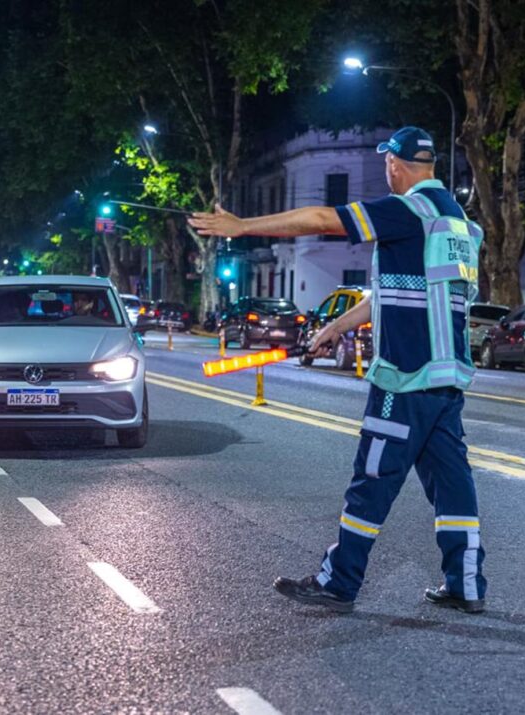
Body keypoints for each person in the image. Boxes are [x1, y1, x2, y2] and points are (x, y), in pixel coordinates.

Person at [189, 126, 487, 615]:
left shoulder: (405, 210)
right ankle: (466, 584)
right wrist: (337, 326)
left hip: (404, 376)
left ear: (395, 164)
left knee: (372, 479)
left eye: (386, 164)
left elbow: (322, 218)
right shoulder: (457, 224)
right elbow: (397, 292)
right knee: (454, 485)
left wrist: (242, 226)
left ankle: (339, 581)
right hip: (446, 378)